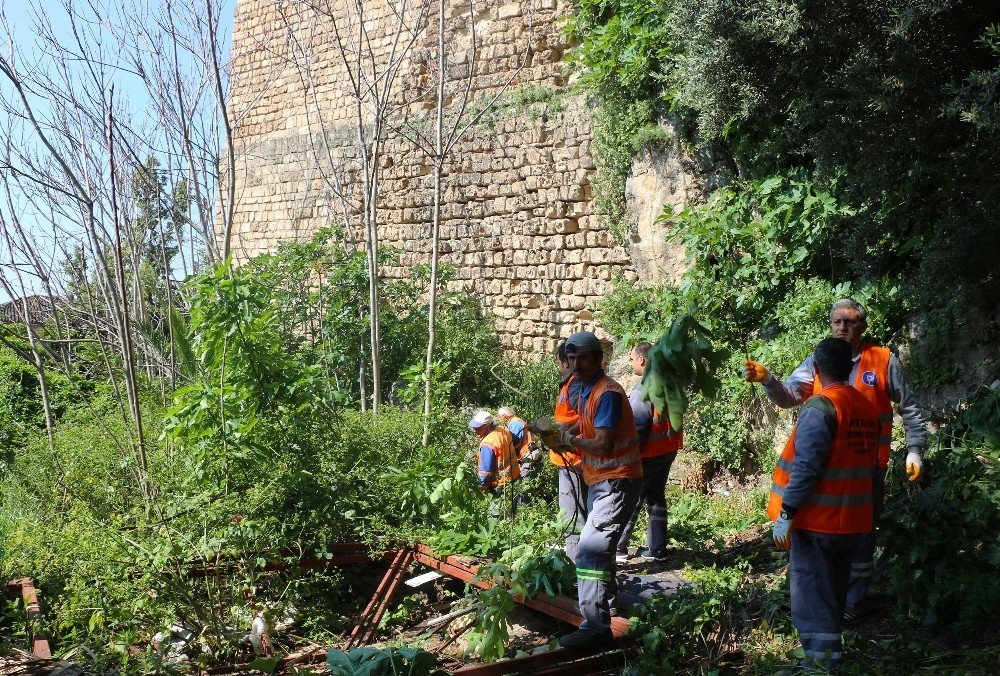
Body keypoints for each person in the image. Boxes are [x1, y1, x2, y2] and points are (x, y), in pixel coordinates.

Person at [744, 297, 927, 621]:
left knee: (861, 535)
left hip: (867, 472)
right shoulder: (820, 360)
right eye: (836, 321)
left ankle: (852, 605)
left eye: (850, 321)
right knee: (820, 535)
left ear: (863, 326)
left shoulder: (883, 361)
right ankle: (823, 604)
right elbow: (789, 396)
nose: (842, 327)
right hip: (822, 474)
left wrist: (915, 449)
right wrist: (769, 380)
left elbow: (909, 407)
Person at [767, 337, 880, 670]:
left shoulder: (821, 408)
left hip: (819, 523)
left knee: (813, 601)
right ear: (851, 368)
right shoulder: (865, 407)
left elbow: (806, 468)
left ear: (815, 368)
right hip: (854, 523)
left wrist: (787, 514)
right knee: (832, 595)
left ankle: (821, 666)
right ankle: (829, 659)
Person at [555, 331, 642, 649]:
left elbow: (603, 444)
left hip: (616, 480)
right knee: (597, 550)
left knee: (590, 551)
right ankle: (604, 613)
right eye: (572, 358)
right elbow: (584, 423)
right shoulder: (588, 390)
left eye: (582, 358)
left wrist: (569, 440)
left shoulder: (607, 393)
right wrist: (563, 430)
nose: (575, 364)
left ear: (598, 360)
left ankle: (594, 626)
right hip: (603, 481)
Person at [617, 341, 683, 563]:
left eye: (632, 358)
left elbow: (638, 425)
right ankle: (657, 548)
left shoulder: (644, 388)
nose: (631, 362)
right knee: (656, 497)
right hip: (668, 448)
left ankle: (618, 548)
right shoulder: (671, 381)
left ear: (642, 360)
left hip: (648, 453)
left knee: (631, 498)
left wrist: (626, 455)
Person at [548, 342, 588, 562]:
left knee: (572, 515)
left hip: (573, 459)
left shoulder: (574, 385)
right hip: (568, 457)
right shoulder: (571, 385)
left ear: (566, 362)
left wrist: (562, 435)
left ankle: (576, 567)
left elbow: (586, 418)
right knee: (577, 512)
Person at [469, 410, 519, 492]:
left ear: (488, 426)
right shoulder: (503, 430)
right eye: (474, 427)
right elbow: (517, 442)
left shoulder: (488, 444)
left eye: (479, 427)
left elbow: (485, 474)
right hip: (515, 477)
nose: (475, 430)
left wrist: (475, 489)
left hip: (499, 486)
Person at [496, 406, 540, 479]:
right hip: (529, 454)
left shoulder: (515, 423)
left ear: (505, 416)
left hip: (527, 456)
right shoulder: (515, 421)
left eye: (499, 416)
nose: (499, 418)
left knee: (526, 482)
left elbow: (515, 443)